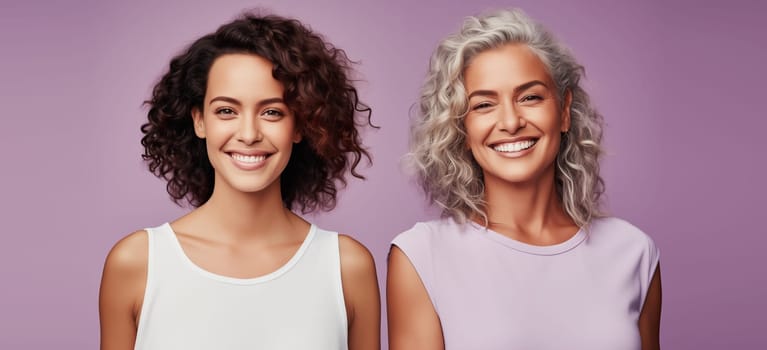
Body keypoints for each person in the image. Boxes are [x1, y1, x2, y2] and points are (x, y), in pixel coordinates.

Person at [99, 12, 380, 350]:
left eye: (272, 112)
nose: (248, 134)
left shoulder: (347, 267)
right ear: (199, 121)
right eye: (226, 111)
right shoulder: (136, 263)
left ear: (301, 126)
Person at [387, 8, 661, 350]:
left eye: (530, 97)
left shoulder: (633, 251)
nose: (511, 121)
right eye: (484, 105)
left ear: (563, 111)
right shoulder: (422, 255)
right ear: (461, 126)